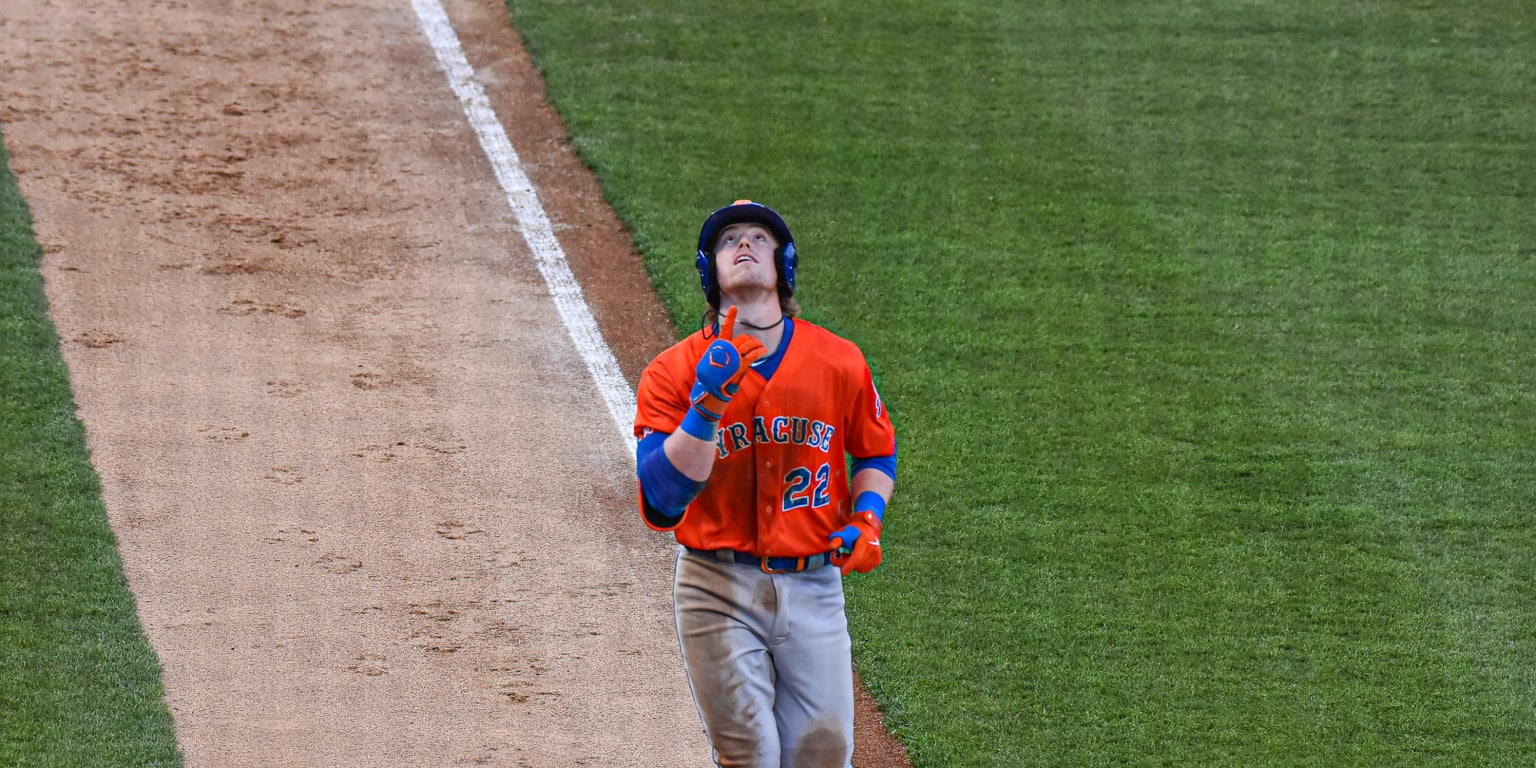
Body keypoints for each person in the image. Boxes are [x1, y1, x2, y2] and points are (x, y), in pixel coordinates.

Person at [633, 200, 898, 767]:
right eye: (730, 240)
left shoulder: (839, 360)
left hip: (815, 587)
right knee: (750, 754)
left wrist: (868, 516)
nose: (746, 244)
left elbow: (875, 449)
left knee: (824, 753)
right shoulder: (673, 372)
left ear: (785, 265)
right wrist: (706, 406)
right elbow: (660, 503)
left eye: (760, 237)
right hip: (716, 588)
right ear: (710, 271)